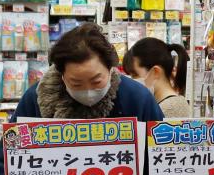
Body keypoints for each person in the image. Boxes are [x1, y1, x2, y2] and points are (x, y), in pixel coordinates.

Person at [12, 23, 163, 123]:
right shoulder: (36, 98)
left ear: (110, 69)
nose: (88, 91)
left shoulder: (137, 98)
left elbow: (159, 152)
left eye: (97, 81)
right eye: (76, 83)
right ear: (61, 75)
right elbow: (7, 157)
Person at [124, 38, 192, 118]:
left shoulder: (169, 109)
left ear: (156, 72)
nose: (131, 81)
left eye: (135, 75)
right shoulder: (163, 105)